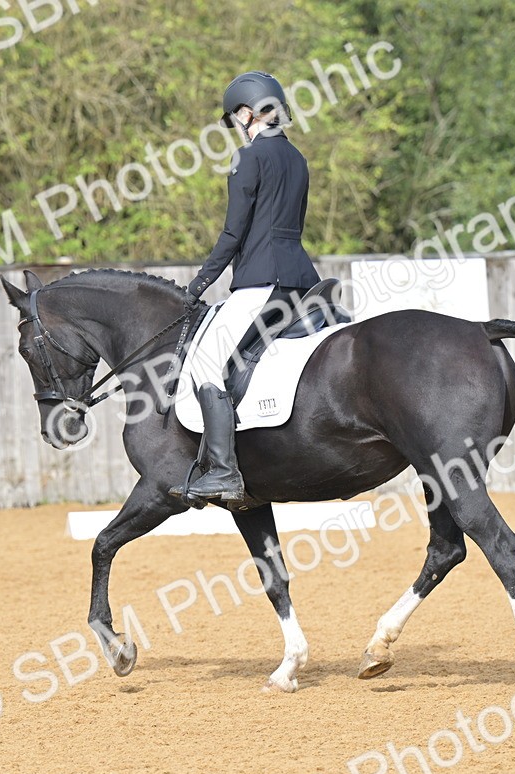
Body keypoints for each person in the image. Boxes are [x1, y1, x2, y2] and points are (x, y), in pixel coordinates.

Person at [170, 70, 321, 504]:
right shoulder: (298, 159)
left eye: (237, 116)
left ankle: (222, 471)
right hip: (301, 280)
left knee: (204, 365)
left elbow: (233, 235)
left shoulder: (247, 158)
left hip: (260, 282)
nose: (237, 124)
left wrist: (197, 285)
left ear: (247, 112)